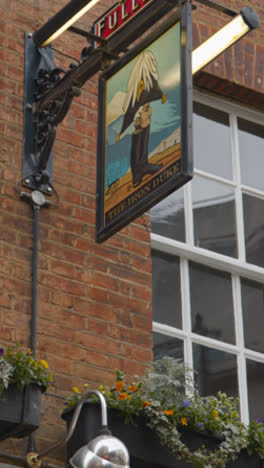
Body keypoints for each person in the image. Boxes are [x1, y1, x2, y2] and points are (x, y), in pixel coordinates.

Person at [116, 51, 166, 187]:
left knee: (140, 136)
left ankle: (139, 170)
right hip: (139, 116)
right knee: (140, 136)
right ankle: (140, 168)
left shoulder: (142, 79)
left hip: (140, 115)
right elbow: (142, 97)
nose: (154, 64)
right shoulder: (143, 80)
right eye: (153, 62)